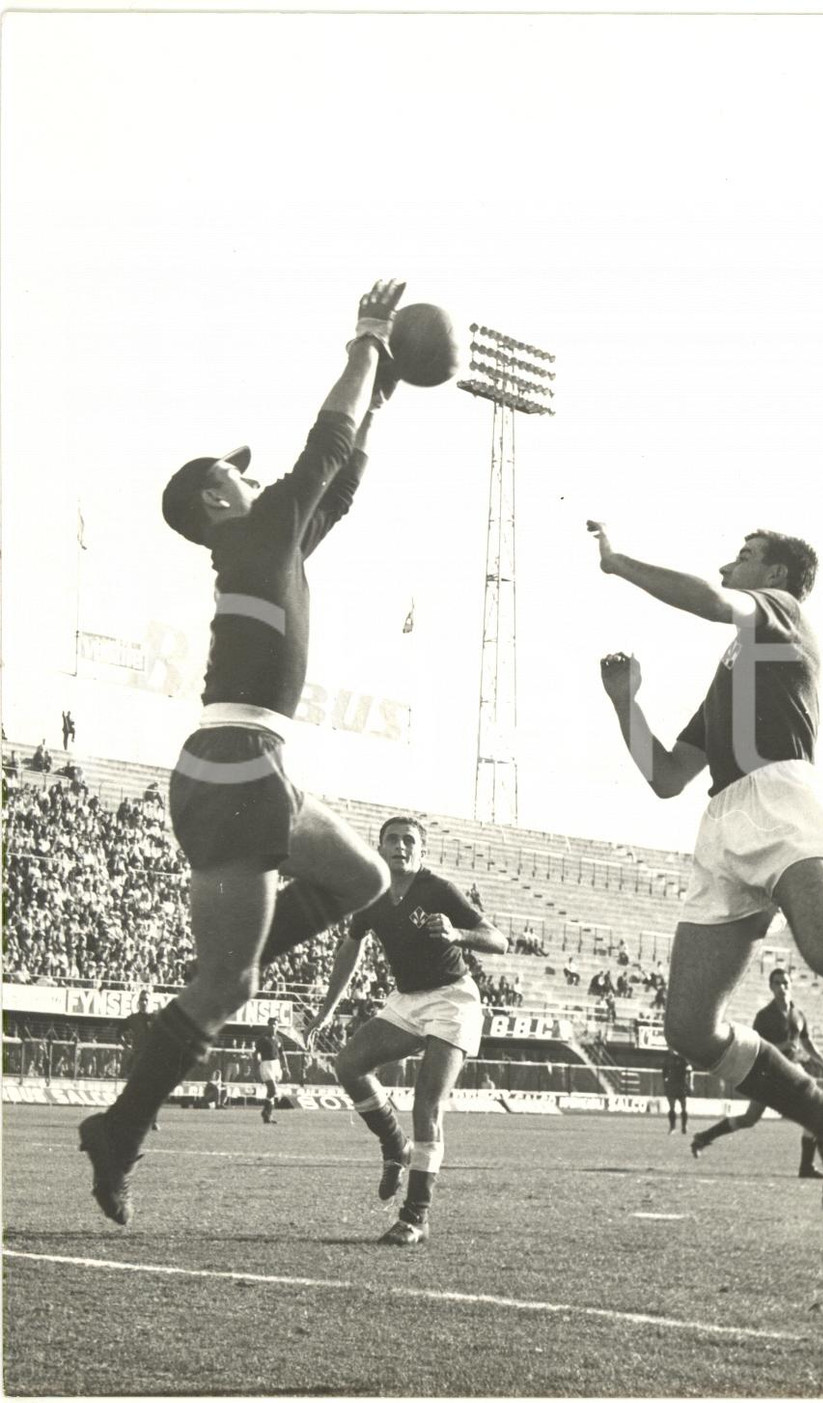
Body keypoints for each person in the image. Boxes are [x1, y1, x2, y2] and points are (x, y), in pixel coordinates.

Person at [78, 278, 407, 1226]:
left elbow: (339, 483)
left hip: (253, 763)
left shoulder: (270, 542)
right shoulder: (256, 532)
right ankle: (120, 1130)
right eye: (238, 472)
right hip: (235, 767)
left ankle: (168, 1046)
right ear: (216, 496)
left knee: (367, 879)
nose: (255, 479)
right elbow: (324, 446)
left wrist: (381, 398)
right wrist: (367, 343)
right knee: (227, 984)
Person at [588, 522, 823, 1211]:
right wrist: (624, 703)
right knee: (689, 1030)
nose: (729, 564)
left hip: (784, 798)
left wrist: (618, 563)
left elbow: (710, 600)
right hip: (724, 821)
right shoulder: (731, 668)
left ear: (778, 574)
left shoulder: (781, 613)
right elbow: (667, 777)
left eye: (745, 555)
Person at [305, 815, 507, 1247]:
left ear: (422, 851)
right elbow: (351, 947)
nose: (401, 846)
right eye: (393, 840)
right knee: (348, 1065)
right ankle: (395, 1147)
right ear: (379, 848)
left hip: (452, 999)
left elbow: (498, 940)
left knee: (426, 1104)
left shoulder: (438, 889)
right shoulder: (371, 892)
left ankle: (416, 1216)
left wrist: (457, 933)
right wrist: (326, 1011)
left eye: (410, 841)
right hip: (407, 1000)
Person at [691, 967, 823, 1176]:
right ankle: (704, 1137)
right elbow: (757, 1048)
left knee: (808, 1111)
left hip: (792, 1071)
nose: (782, 987)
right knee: (753, 1118)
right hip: (770, 1074)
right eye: (777, 983)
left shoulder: (798, 1014)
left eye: (785, 983)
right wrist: (782, 1046)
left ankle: (807, 1166)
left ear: (791, 985)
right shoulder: (765, 1016)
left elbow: (807, 1042)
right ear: (770, 987)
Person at [119, 991, 160, 1132]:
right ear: (138, 1001)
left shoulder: (155, 1018)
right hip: (137, 1058)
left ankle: (153, 1121)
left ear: (150, 1002)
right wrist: (126, 1047)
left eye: (146, 999)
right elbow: (118, 1033)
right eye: (142, 999)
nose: (144, 1002)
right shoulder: (132, 1019)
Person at [253, 1016, 289, 1124]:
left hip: (276, 1065)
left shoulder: (279, 1039)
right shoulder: (263, 1039)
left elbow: (282, 1054)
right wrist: (256, 1069)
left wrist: (286, 1068)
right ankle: (265, 1111)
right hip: (266, 1064)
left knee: (271, 1092)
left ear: (277, 1026)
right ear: (268, 1026)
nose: (273, 1026)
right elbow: (256, 1054)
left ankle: (268, 1115)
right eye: (271, 1024)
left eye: (275, 1024)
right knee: (273, 1090)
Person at [661, 1046, 693, 1134]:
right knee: (671, 1107)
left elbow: (690, 1072)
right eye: (670, 1048)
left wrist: (690, 1084)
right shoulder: (667, 1060)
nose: (671, 1050)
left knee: (683, 1107)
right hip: (672, 1085)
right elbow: (664, 1074)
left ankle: (684, 1126)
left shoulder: (683, 1059)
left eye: (672, 1048)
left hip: (681, 1085)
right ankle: (672, 1127)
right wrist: (665, 1084)